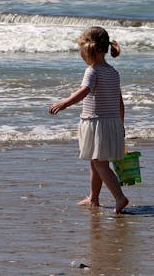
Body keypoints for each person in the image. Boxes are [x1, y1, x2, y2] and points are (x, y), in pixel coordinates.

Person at [49, 26, 129, 214]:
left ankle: (120, 197)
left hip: (97, 123)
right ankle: (93, 197)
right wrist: (121, 124)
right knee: (96, 162)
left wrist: (64, 103)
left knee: (99, 163)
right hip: (112, 123)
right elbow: (119, 100)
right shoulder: (113, 72)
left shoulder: (92, 71)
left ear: (89, 49)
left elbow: (84, 91)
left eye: (81, 50)